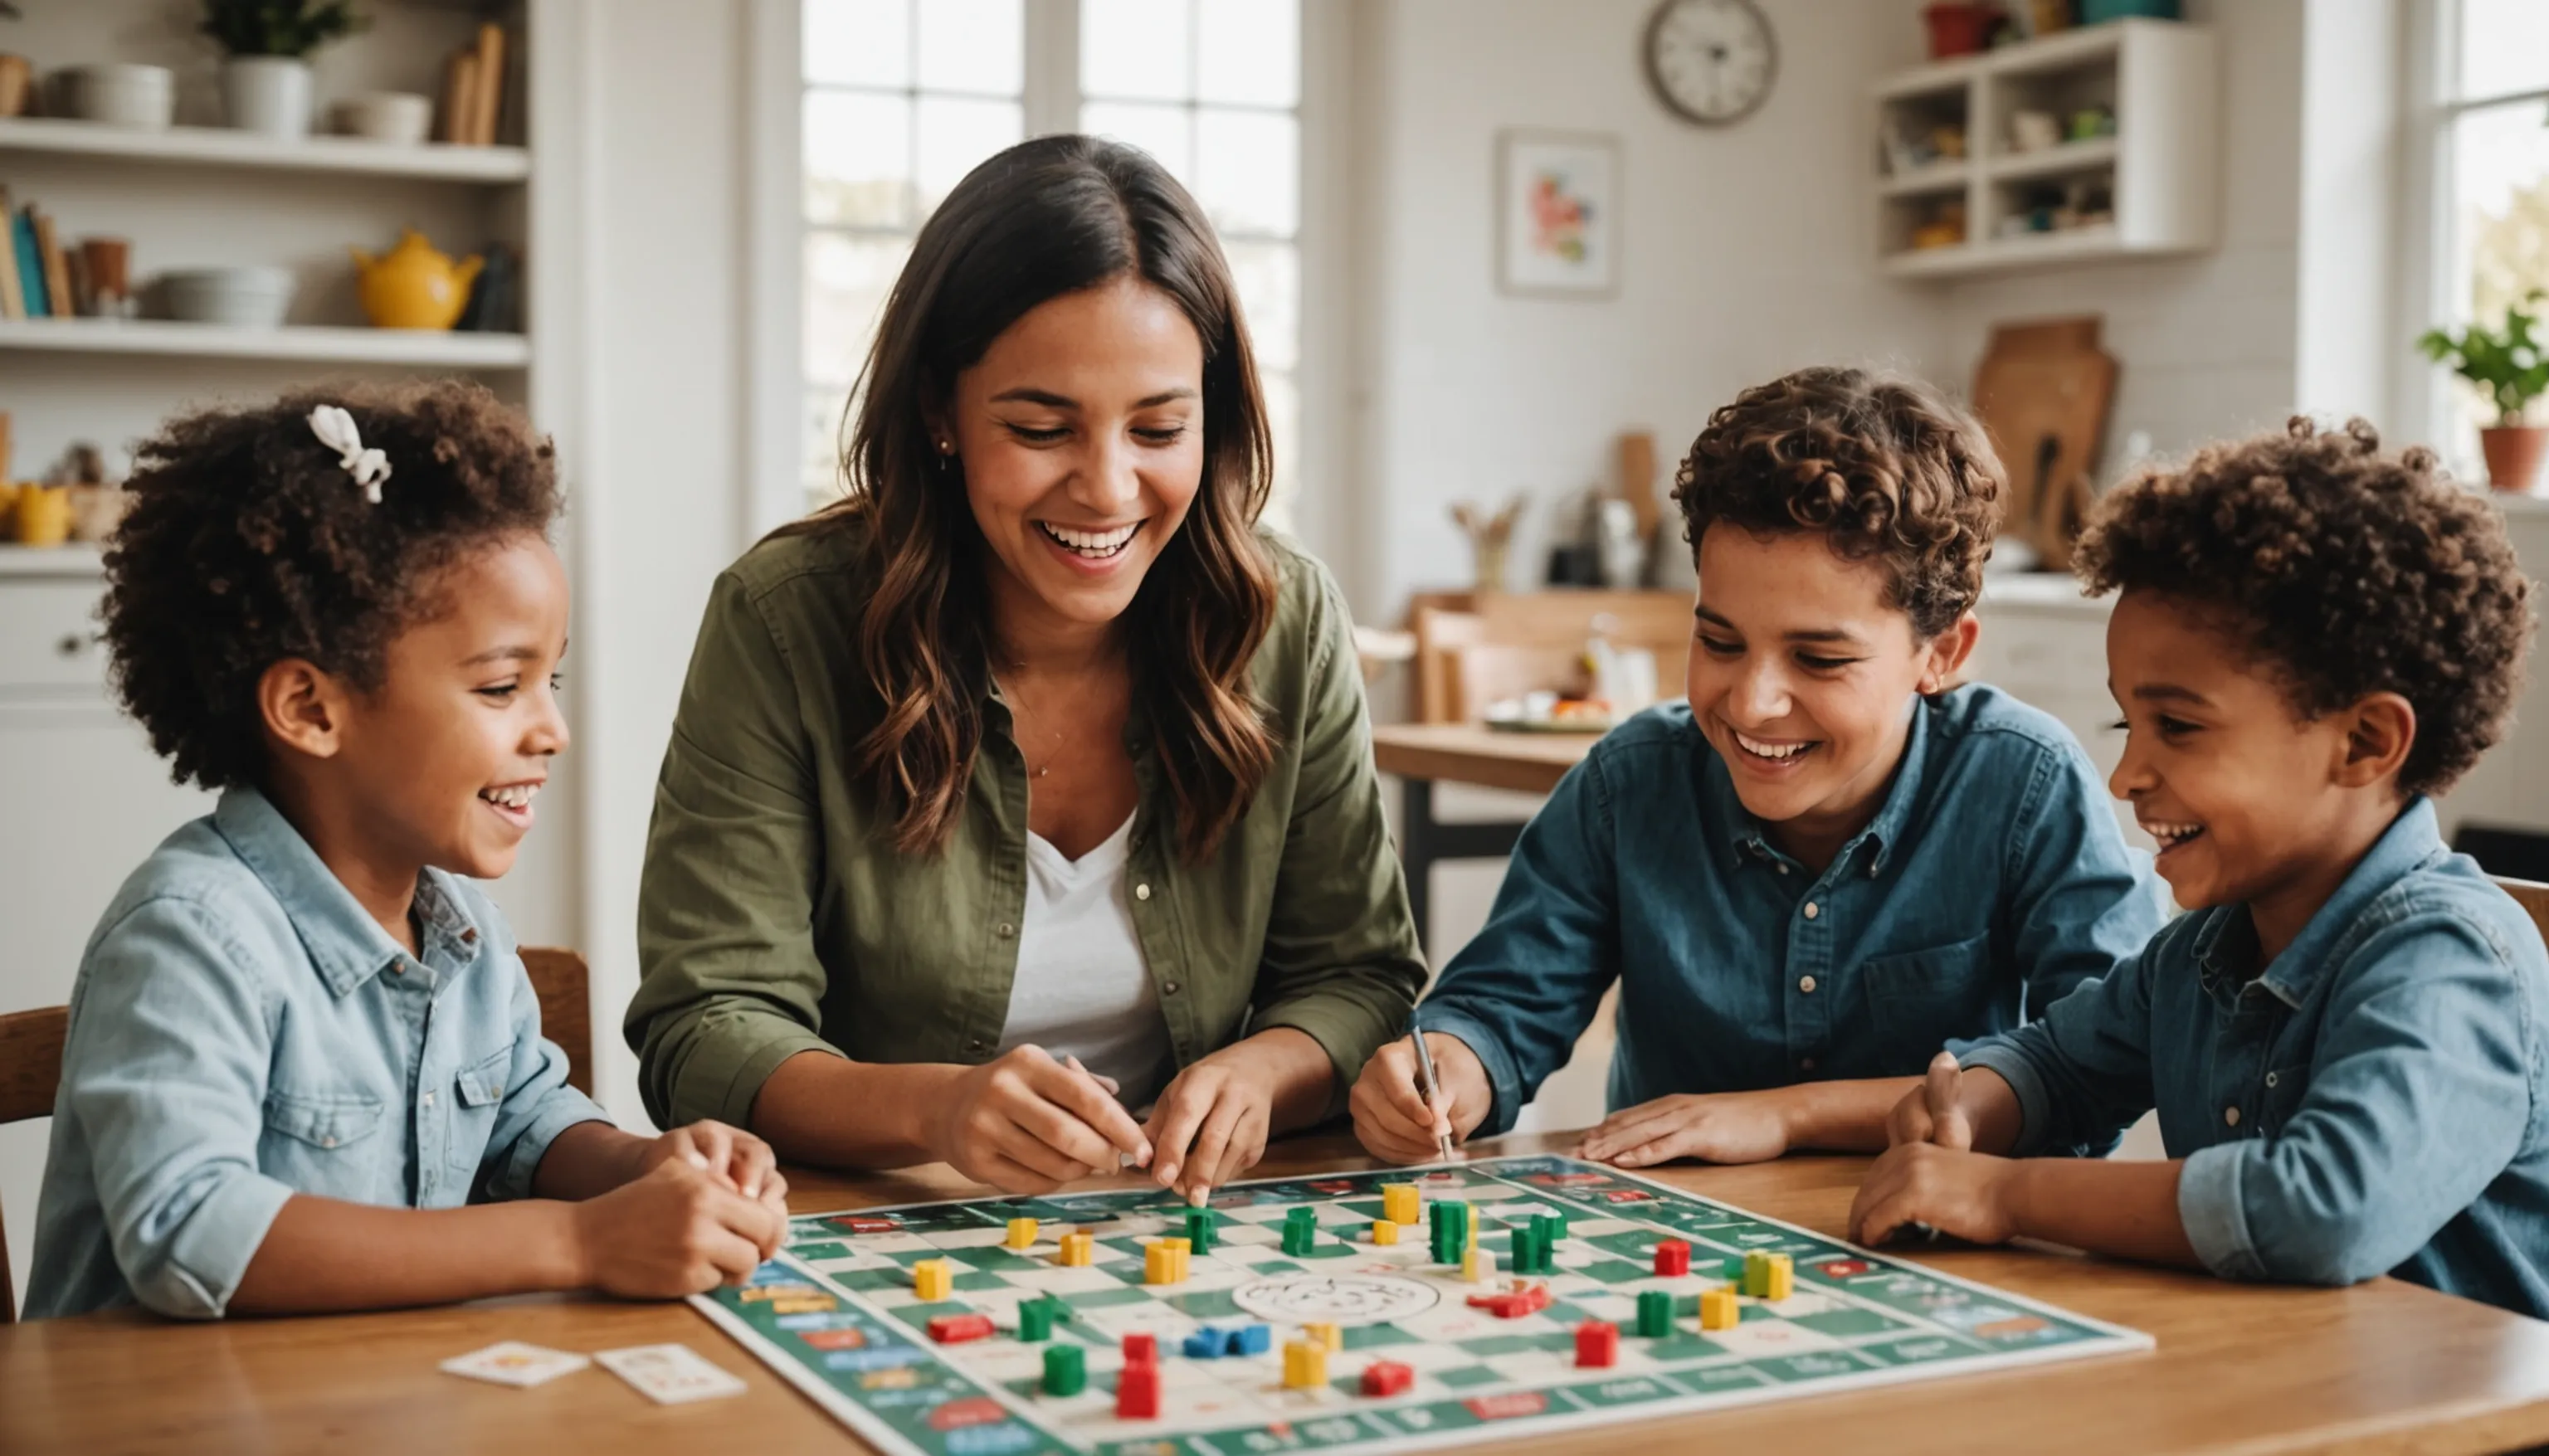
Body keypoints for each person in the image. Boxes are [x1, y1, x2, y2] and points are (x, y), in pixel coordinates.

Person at [627, 135, 1423, 1200]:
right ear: (938, 414)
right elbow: (705, 1026)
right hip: (881, 1231)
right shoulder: (785, 621)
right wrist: (934, 1110)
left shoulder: (1291, 620)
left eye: (1159, 427)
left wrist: (1263, 1071)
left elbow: (1360, 978)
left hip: (1189, 1238)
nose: (1106, 488)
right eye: (1042, 427)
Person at [26, 383, 789, 1321]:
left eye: (550, 680)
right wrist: (581, 1241)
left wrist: (642, 1166)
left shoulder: (463, 935)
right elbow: (191, 1230)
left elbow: (524, 1121)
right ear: (312, 709)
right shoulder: (189, 937)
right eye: (503, 686)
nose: (552, 728)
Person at [1352, 367, 2166, 1166]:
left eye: (1818, 658)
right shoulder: (1627, 785)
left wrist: (1790, 1117)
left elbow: (2101, 1065)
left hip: (1949, 1257)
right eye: (1719, 641)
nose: (1751, 703)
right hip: (1680, 1257)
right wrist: (1450, 1069)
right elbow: (1502, 1008)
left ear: (1942, 652)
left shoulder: (2024, 784)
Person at [1853, 419, 2549, 1318]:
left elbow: (2323, 1208)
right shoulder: (2202, 954)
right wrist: (1968, 1113)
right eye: (2125, 726)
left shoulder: (2451, 958)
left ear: (2366, 742)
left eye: (2177, 727)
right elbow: (2058, 1066)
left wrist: (2001, 1195)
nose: (2127, 775)